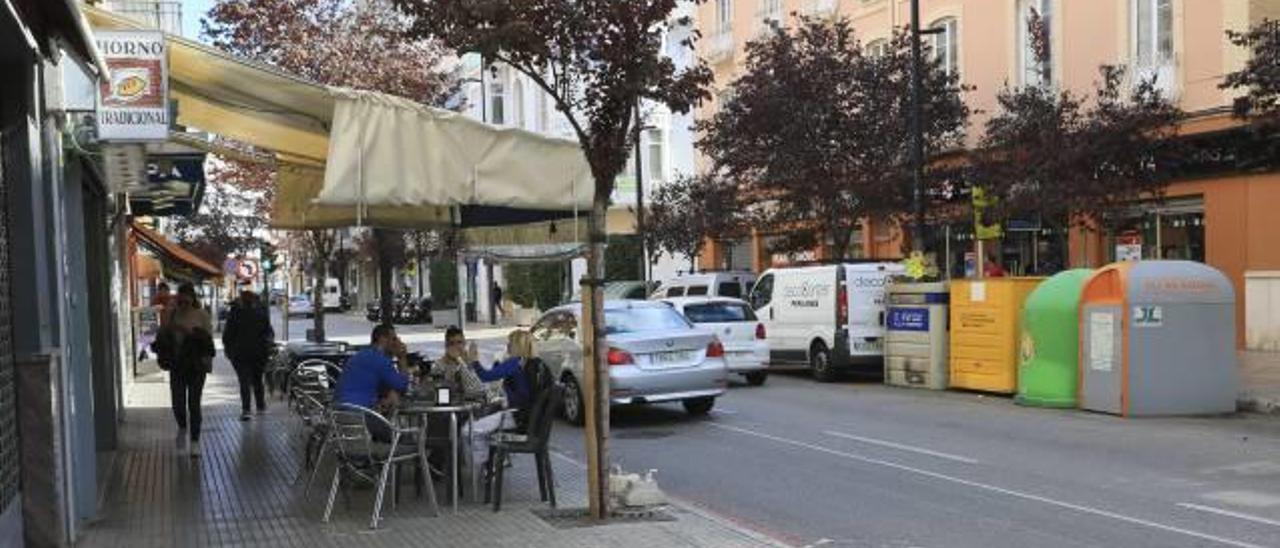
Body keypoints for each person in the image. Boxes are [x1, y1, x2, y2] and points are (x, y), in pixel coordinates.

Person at [157, 283, 215, 457]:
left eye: (187, 297)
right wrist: (168, 321)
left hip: (196, 365)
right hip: (177, 364)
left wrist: (189, 332)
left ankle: (195, 441)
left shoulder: (202, 315)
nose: (184, 301)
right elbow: (161, 337)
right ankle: (182, 426)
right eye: (181, 297)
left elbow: (208, 340)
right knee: (178, 403)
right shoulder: (172, 314)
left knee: (194, 403)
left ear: (192, 298)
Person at [334, 324, 410, 441]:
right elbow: (402, 385)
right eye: (394, 339)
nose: (396, 343)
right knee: (403, 437)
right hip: (360, 416)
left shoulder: (360, 355)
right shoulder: (380, 360)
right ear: (383, 339)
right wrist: (402, 358)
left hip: (338, 414)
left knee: (386, 425)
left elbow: (372, 383)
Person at [223, 290, 275, 421]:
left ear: (242, 300)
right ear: (253, 301)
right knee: (257, 380)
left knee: (244, 381)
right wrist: (267, 347)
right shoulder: (261, 313)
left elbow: (227, 336)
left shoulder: (234, 314)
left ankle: (246, 410)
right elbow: (268, 332)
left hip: (241, 354)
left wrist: (229, 351)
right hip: (258, 353)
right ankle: (260, 406)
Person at [434, 326, 488, 399]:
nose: (456, 346)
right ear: (446, 346)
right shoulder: (439, 365)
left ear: (464, 343)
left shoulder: (473, 361)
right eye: (452, 343)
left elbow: (478, 388)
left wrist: (463, 362)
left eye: (459, 342)